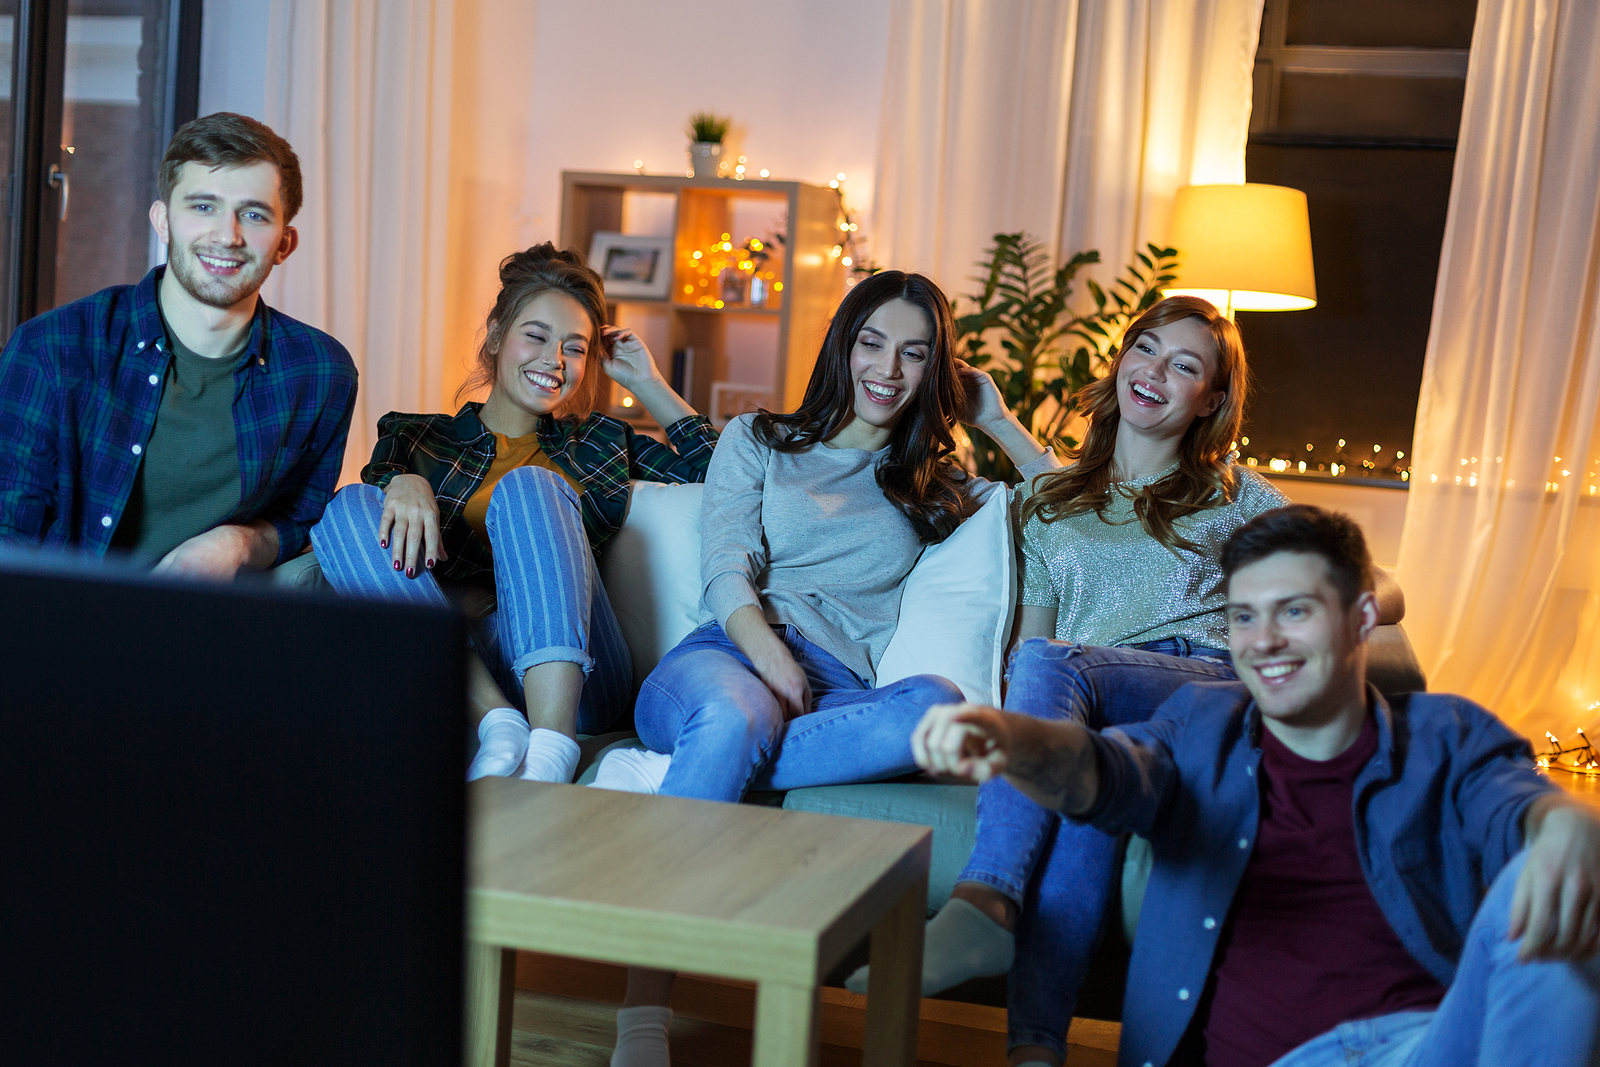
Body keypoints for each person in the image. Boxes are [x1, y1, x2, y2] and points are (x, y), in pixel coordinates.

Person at [915, 504, 1600, 1067]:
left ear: (1362, 617)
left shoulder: (1446, 733)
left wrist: (1564, 822)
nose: (1262, 640)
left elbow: (1514, 802)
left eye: (1293, 611)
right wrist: (1011, 738)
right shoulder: (1198, 724)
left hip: (1420, 1047)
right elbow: (1103, 771)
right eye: (1244, 616)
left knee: (1554, 872)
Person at [599, 269, 1059, 1067]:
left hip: (838, 693)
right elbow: (723, 568)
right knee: (739, 713)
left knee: (937, 705)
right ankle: (642, 1011)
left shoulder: (937, 485)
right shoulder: (758, 440)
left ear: (933, 372)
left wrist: (1000, 420)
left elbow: (1070, 510)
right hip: (728, 654)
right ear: (843, 344)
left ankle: (696, 767)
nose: (887, 369)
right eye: (873, 343)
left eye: (914, 354)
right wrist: (768, 652)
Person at [846, 295, 1286, 1062]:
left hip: (1209, 690)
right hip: (1112, 716)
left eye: (1184, 365)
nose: (1154, 371)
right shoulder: (1050, 505)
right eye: (1144, 349)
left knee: (1048, 667)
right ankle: (1035, 1049)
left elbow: (1348, 577)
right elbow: (1033, 648)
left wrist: (1367, 595)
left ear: (1210, 398)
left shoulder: (1238, 498)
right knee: (1080, 776)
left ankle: (984, 898)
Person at [310, 242, 716, 784]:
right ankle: (496, 722)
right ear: (497, 335)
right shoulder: (416, 436)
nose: (555, 360)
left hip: (581, 677)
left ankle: (550, 751)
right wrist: (400, 480)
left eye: (576, 348)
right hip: (459, 660)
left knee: (530, 487)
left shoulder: (600, 442)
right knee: (346, 507)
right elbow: (366, 518)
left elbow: (724, 475)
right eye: (537, 336)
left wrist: (648, 383)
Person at [0, 112, 356, 578]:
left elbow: (304, 516)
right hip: (62, 626)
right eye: (203, 207)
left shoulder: (320, 372)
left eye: (253, 214)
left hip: (211, 633)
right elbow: (9, 537)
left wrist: (239, 541)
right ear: (163, 221)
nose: (227, 236)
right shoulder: (53, 350)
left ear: (285, 243)